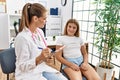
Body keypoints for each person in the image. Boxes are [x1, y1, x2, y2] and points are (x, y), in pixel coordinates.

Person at [14, 3, 68, 80]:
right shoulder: (22, 38)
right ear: (35, 18)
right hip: (27, 75)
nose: (46, 21)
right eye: (44, 18)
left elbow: (40, 51)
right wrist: (39, 58)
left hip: (41, 69)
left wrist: (46, 57)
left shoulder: (39, 32)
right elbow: (22, 67)